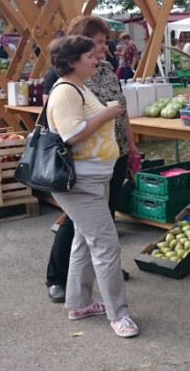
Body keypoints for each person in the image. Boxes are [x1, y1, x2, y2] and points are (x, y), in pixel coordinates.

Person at [46, 35, 139, 338]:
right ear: (72, 61)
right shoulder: (65, 92)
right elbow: (72, 134)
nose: (96, 59)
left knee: (84, 242)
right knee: (106, 246)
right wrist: (106, 113)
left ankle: (79, 303)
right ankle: (118, 315)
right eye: (89, 55)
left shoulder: (78, 87)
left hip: (93, 178)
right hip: (80, 183)